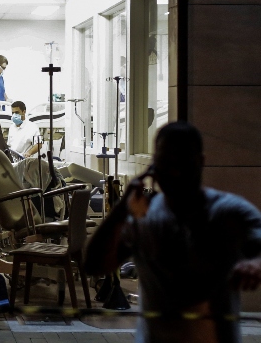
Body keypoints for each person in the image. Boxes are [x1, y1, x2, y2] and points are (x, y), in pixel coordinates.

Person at [84, 121, 261, 343]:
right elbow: (93, 265)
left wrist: (255, 264)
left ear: (201, 162)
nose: (175, 171)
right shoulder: (143, 218)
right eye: (166, 163)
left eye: (183, 162)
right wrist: (120, 210)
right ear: (153, 167)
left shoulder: (228, 211)